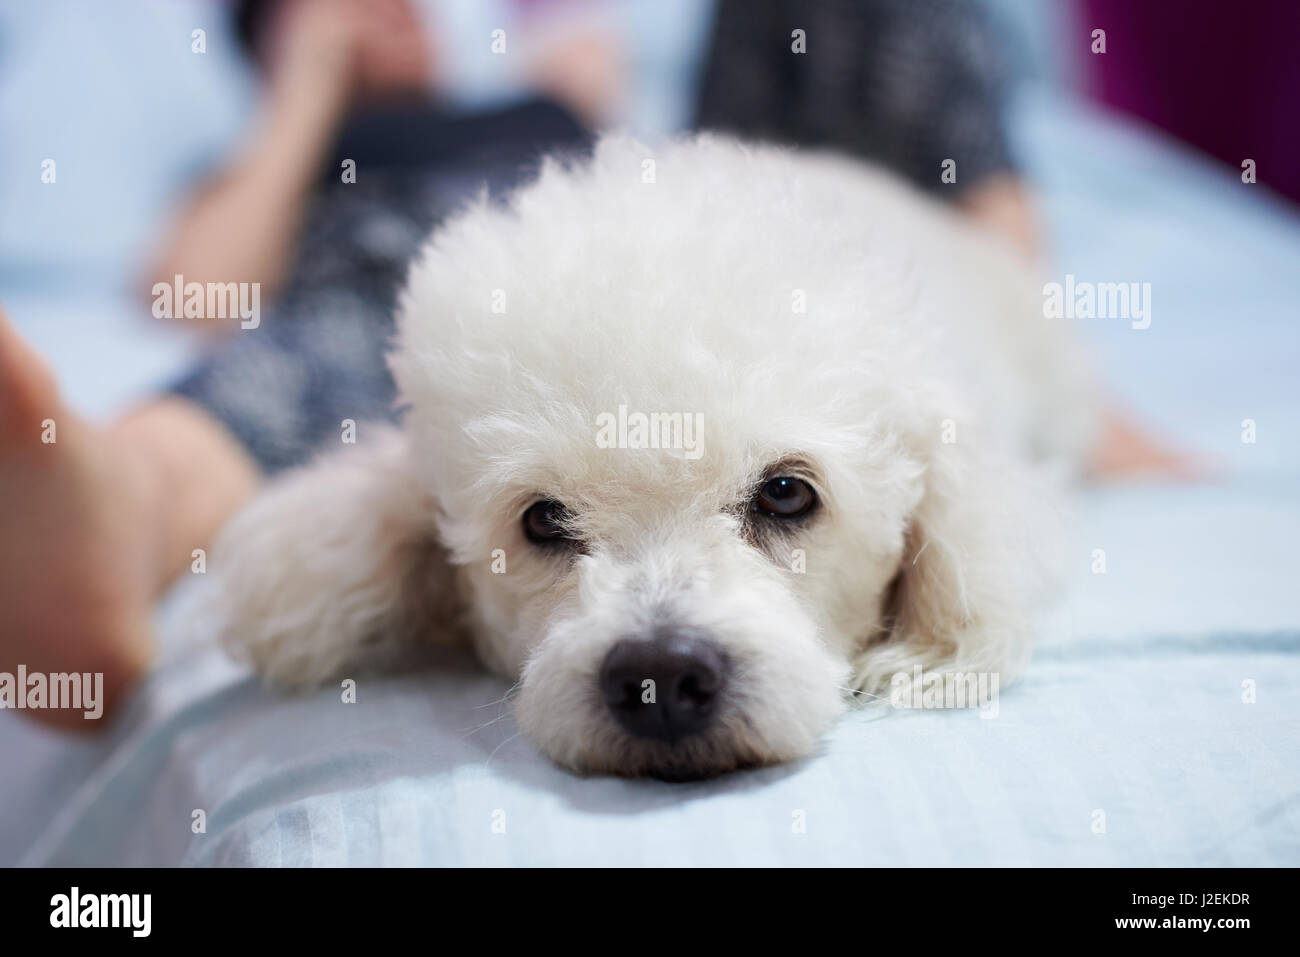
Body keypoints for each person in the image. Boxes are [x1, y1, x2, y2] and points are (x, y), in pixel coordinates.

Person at [0, 0, 1192, 729]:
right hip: (409, 252)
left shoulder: (545, 94)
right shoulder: (302, 147)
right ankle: (131, 503)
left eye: (782, 501)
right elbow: (185, 287)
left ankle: (1015, 298)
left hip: (679, 203)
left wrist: (580, 100)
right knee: (376, 322)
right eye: (550, 529)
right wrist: (306, 90)